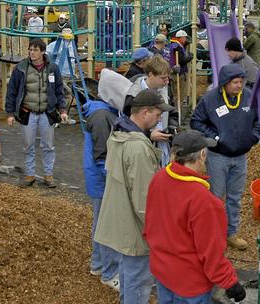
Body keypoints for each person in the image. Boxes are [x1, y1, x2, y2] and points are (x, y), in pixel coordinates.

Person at [144, 131, 246, 304]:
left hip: (162, 271)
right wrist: (230, 283)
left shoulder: (159, 178)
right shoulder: (204, 201)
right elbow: (211, 252)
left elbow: (150, 224)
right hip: (190, 283)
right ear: (202, 155)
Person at [95, 89, 174, 304]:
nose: (159, 120)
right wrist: (156, 231)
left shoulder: (118, 133)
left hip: (121, 219)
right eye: (158, 115)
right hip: (136, 227)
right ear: (145, 112)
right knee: (138, 281)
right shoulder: (138, 148)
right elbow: (144, 198)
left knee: (128, 275)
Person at [191, 65, 260, 250]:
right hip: (218, 156)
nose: (239, 85)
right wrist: (215, 138)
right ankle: (212, 234)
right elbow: (196, 120)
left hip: (240, 157)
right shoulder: (210, 99)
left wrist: (253, 136)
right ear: (225, 83)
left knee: (235, 197)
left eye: (241, 81)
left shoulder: (248, 96)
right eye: (235, 82)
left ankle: (231, 233)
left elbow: (258, 119)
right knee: (215, 197)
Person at [83, 69, 128, 292]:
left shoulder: (104, 112)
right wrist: (113, 180)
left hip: (99, 178)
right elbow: (102, 155)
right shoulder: (102, 117)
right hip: (103, 180)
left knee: (100, 223)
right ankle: (109, 272)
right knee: (108, 227)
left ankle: (98, 265)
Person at [5, 38, 68, 188]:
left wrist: (63, 110)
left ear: (42, 52)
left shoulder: (52, 68)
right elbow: (11, 92)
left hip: (47, 112)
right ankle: (30, 174)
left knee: (48, 145)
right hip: (28, 112)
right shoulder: (20, 68)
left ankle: (48, 175)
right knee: (28, 145)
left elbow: (59, 91)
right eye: (30, 50)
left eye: (35, 50)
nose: (32, 53)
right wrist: (10, 113)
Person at [123, 56, 178, 167]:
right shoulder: (134, 95)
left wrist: (173, 128)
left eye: (168, 78)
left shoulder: (166, 88)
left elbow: (172, 112)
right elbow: (128, 125)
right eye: (163, 78)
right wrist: (149, 135)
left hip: (164, 144)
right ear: (151, 75)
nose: (167, 82)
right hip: (143, 145)